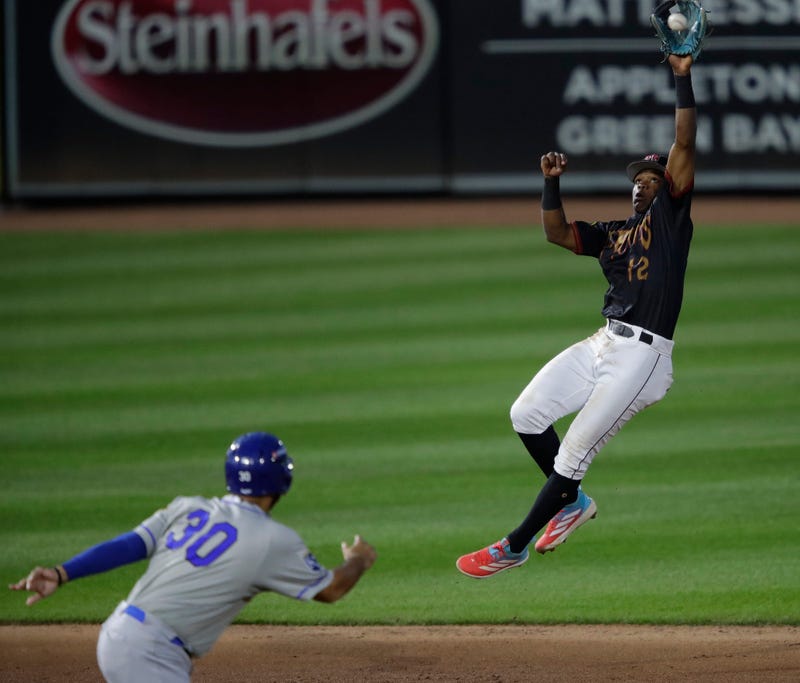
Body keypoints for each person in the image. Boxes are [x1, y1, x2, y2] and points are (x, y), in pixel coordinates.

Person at [457, 51, 697, 578]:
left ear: (669, 188)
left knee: (573, 457)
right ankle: (573, 503)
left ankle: (514, 545)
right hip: (602, 343)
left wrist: (681, 78)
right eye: (638, 179)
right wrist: (551, 184)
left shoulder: (672, 220)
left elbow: (683, 144)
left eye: (652, 179)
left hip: (644, 358)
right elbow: (558, 234)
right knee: (526, 414)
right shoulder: (614, 233)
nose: (642, 184)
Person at [10, 431, 377, 680]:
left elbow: (130, 544)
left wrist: (62, 572)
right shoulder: (272, 539)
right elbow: (331, 589)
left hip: (119, 632)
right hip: (151, 652)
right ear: (281, 480)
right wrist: (359, 559)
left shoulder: (189, 507)